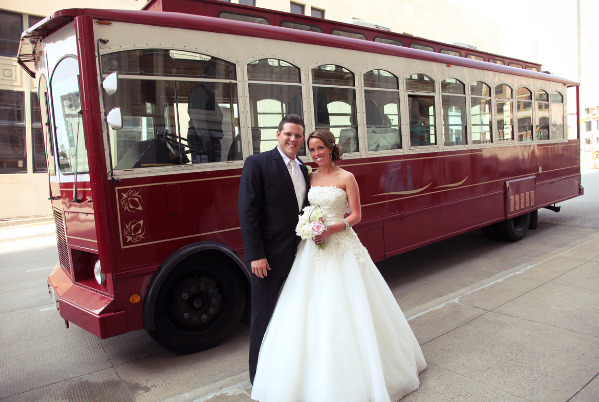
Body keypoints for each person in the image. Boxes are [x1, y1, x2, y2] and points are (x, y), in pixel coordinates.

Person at [251, 129, 426, 401]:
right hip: (312, 248)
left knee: (350, 306)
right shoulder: (310, 176)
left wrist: (333, 227)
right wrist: (309, 227)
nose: (316, 154)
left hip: (341, 244)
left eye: (320, 148)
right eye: (312, 149)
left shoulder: (347, 178)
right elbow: (305, 209)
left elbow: (356, 214)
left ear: (331, 149)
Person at [238, 114, 310, 385]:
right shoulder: (256, 163)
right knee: (262, 318)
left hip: (299, 257)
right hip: (266, 259)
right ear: (278, 135)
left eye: (298, 136)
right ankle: (258, 378)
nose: (293, 139)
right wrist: (256, 254)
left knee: (293, 317)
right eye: (288, 134)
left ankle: (287, 371)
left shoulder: (304, 168)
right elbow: (248, 213)